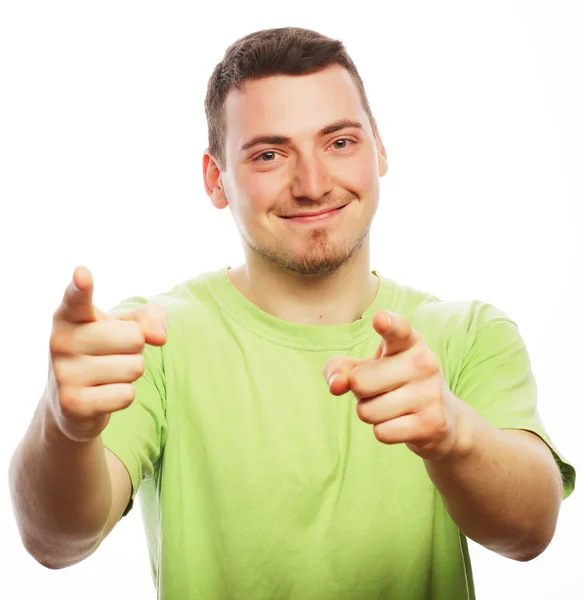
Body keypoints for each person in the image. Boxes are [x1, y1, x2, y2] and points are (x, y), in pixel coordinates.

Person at [9, 26, 576, 600]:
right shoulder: (148, 338)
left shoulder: (469, 334)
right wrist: (62, 426)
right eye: (270, 154)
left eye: (339, 142)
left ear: (379, 149)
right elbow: (56, 542)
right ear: (216, 179)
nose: (312, 184)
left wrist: (455, 435)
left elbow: (530, 532)